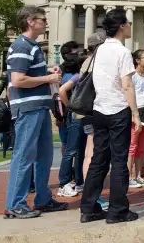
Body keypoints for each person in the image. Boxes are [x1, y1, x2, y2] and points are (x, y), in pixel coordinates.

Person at [4, 6, 67, 219]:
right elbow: (18, 79)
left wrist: (47, 71)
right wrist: (48, 79)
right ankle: (15, 204)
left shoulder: (31, 46)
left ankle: (42, 198)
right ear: (30, 21)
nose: (46, 22)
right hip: (28, 108)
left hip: (39, 107)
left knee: (44, 156)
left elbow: (26, 73)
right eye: (42, 19)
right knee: (24, 156)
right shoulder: (22, 45)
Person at [80, 9, 139, 224]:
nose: (131, 26)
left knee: (99, 159)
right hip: (118, 109)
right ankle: (118, 210)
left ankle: (88, 208)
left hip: (99, 109)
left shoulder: (99, 51)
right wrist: (135, 113)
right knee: (119, 161)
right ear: (122, 26)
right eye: (129, 23)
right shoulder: (122, 52)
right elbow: (127, 85)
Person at [57, 32, 109, 210]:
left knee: (86, 153)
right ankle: (91, 195)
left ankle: (85, 189)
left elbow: (64, 89)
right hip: (93, 113)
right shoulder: (97, 62)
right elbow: (63, 90)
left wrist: (72, 109)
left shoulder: (85, 63)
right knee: (91, 154)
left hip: (84, 113)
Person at [56, 41, 87, 198]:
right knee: (71, 150)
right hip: (73, 116)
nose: (78, 56)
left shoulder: (75, 72)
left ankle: (79, 181)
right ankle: (63, 183)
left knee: (81, 149)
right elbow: (60, 92)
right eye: (75, 53)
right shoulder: (65, 72)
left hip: (80, 116)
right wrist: (69, 108)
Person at [128, 50, 144, 188]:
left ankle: (138, 175)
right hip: (135, 112)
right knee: (132, 146)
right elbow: (127, 95)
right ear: (137, 60)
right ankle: (129, 177)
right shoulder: (132, 76)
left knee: (141, 146)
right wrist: (133, 114)